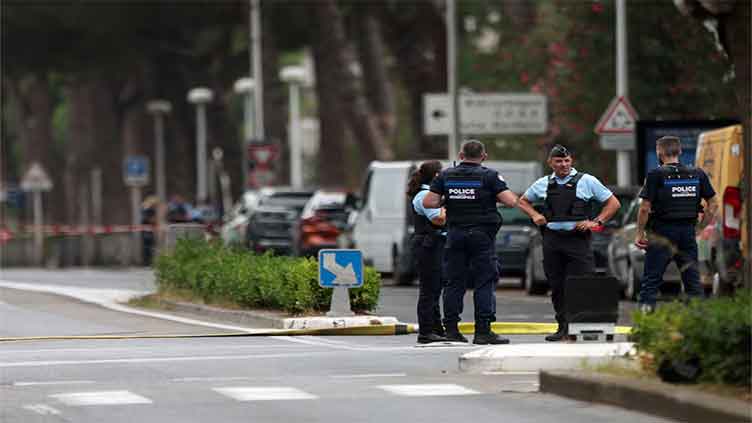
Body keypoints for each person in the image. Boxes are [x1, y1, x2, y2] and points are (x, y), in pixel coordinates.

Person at [518, 144, 620, 341]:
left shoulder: (587, 180)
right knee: (556, 285)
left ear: (571, 161)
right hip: (552, 240)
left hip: (578, 240)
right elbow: (522, 201)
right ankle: (562, 328)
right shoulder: (543, 183)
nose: (563, 164)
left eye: (566, 160)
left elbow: (613, 203)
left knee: (582, 283)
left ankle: (582, 327)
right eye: (559, 161)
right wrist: (535, 215)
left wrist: (596, 222)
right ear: (550, 163)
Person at [423, 140, 520, 345]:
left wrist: (448, 199)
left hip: (455, 234)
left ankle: (451, 330)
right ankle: (483, 331)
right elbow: (511, 201)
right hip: (482, 236)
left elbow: (429, 202)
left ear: (461, 155)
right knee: (484, 282)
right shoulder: (490, 176)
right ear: (484, 156)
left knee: (454, 283)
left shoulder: (445, 175)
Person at [634, 136, 717, 312]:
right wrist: (700, 228)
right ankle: (697, 323)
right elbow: (713, 204)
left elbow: (644, 208)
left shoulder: (656, 174)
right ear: (679, 151)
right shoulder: (698, 174)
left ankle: (645, 322)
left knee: (651, 282)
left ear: (659, 153)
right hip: (687, 233)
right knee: (693, 282)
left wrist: (639, 232)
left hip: (662, 233)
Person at [407, 160, 449, 344]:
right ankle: (425, 331)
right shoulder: (424, 195)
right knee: (429, 290)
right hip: (428, 245)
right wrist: (448, 207)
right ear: (436, 176)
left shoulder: (429, 194)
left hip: (433, 244)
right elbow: (438, 219)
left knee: (435, 287)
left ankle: (436, 328)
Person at [140, 195, 159, 266]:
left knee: (148, 246)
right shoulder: (149, 209)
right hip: (147, 230)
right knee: (148, 246)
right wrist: (153, 222)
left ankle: (147, 261)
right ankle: (147, 262)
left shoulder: (144, 208)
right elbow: (150, 220)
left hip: (148, 230)